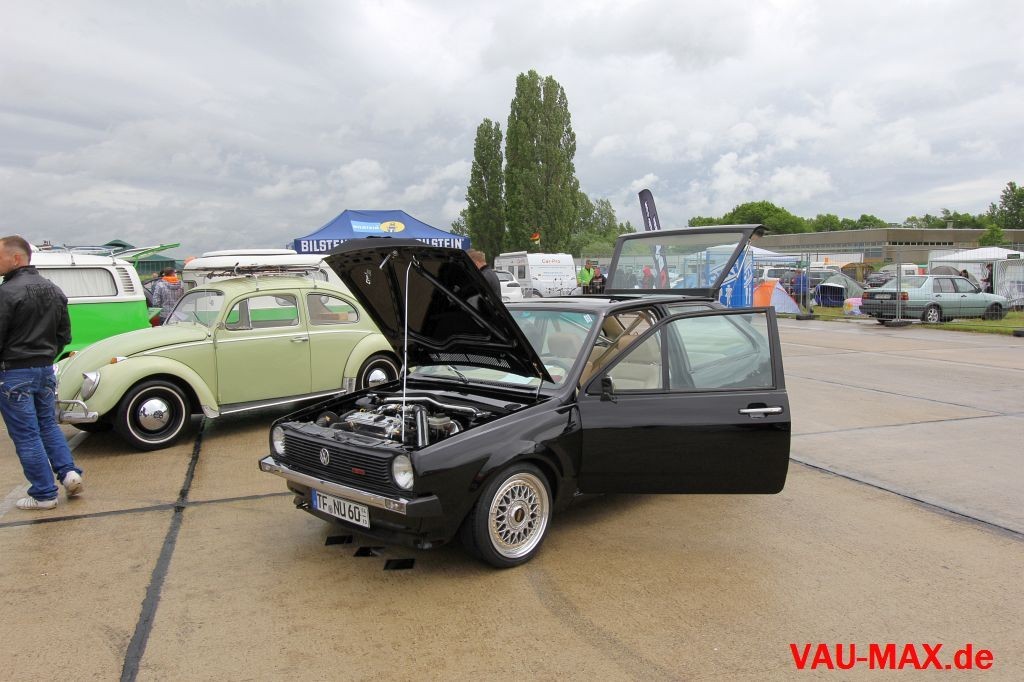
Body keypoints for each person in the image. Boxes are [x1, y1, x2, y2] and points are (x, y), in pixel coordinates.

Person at [0, 235, 83, 510]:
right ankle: (69, 473)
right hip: (45, 369)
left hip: (14, 372)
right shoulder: (53, 289)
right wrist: (46, 356)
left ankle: (44, 494)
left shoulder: (6, 293)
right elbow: (64, 335)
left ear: (16, 259)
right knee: (47, 424)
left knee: (26, 435)